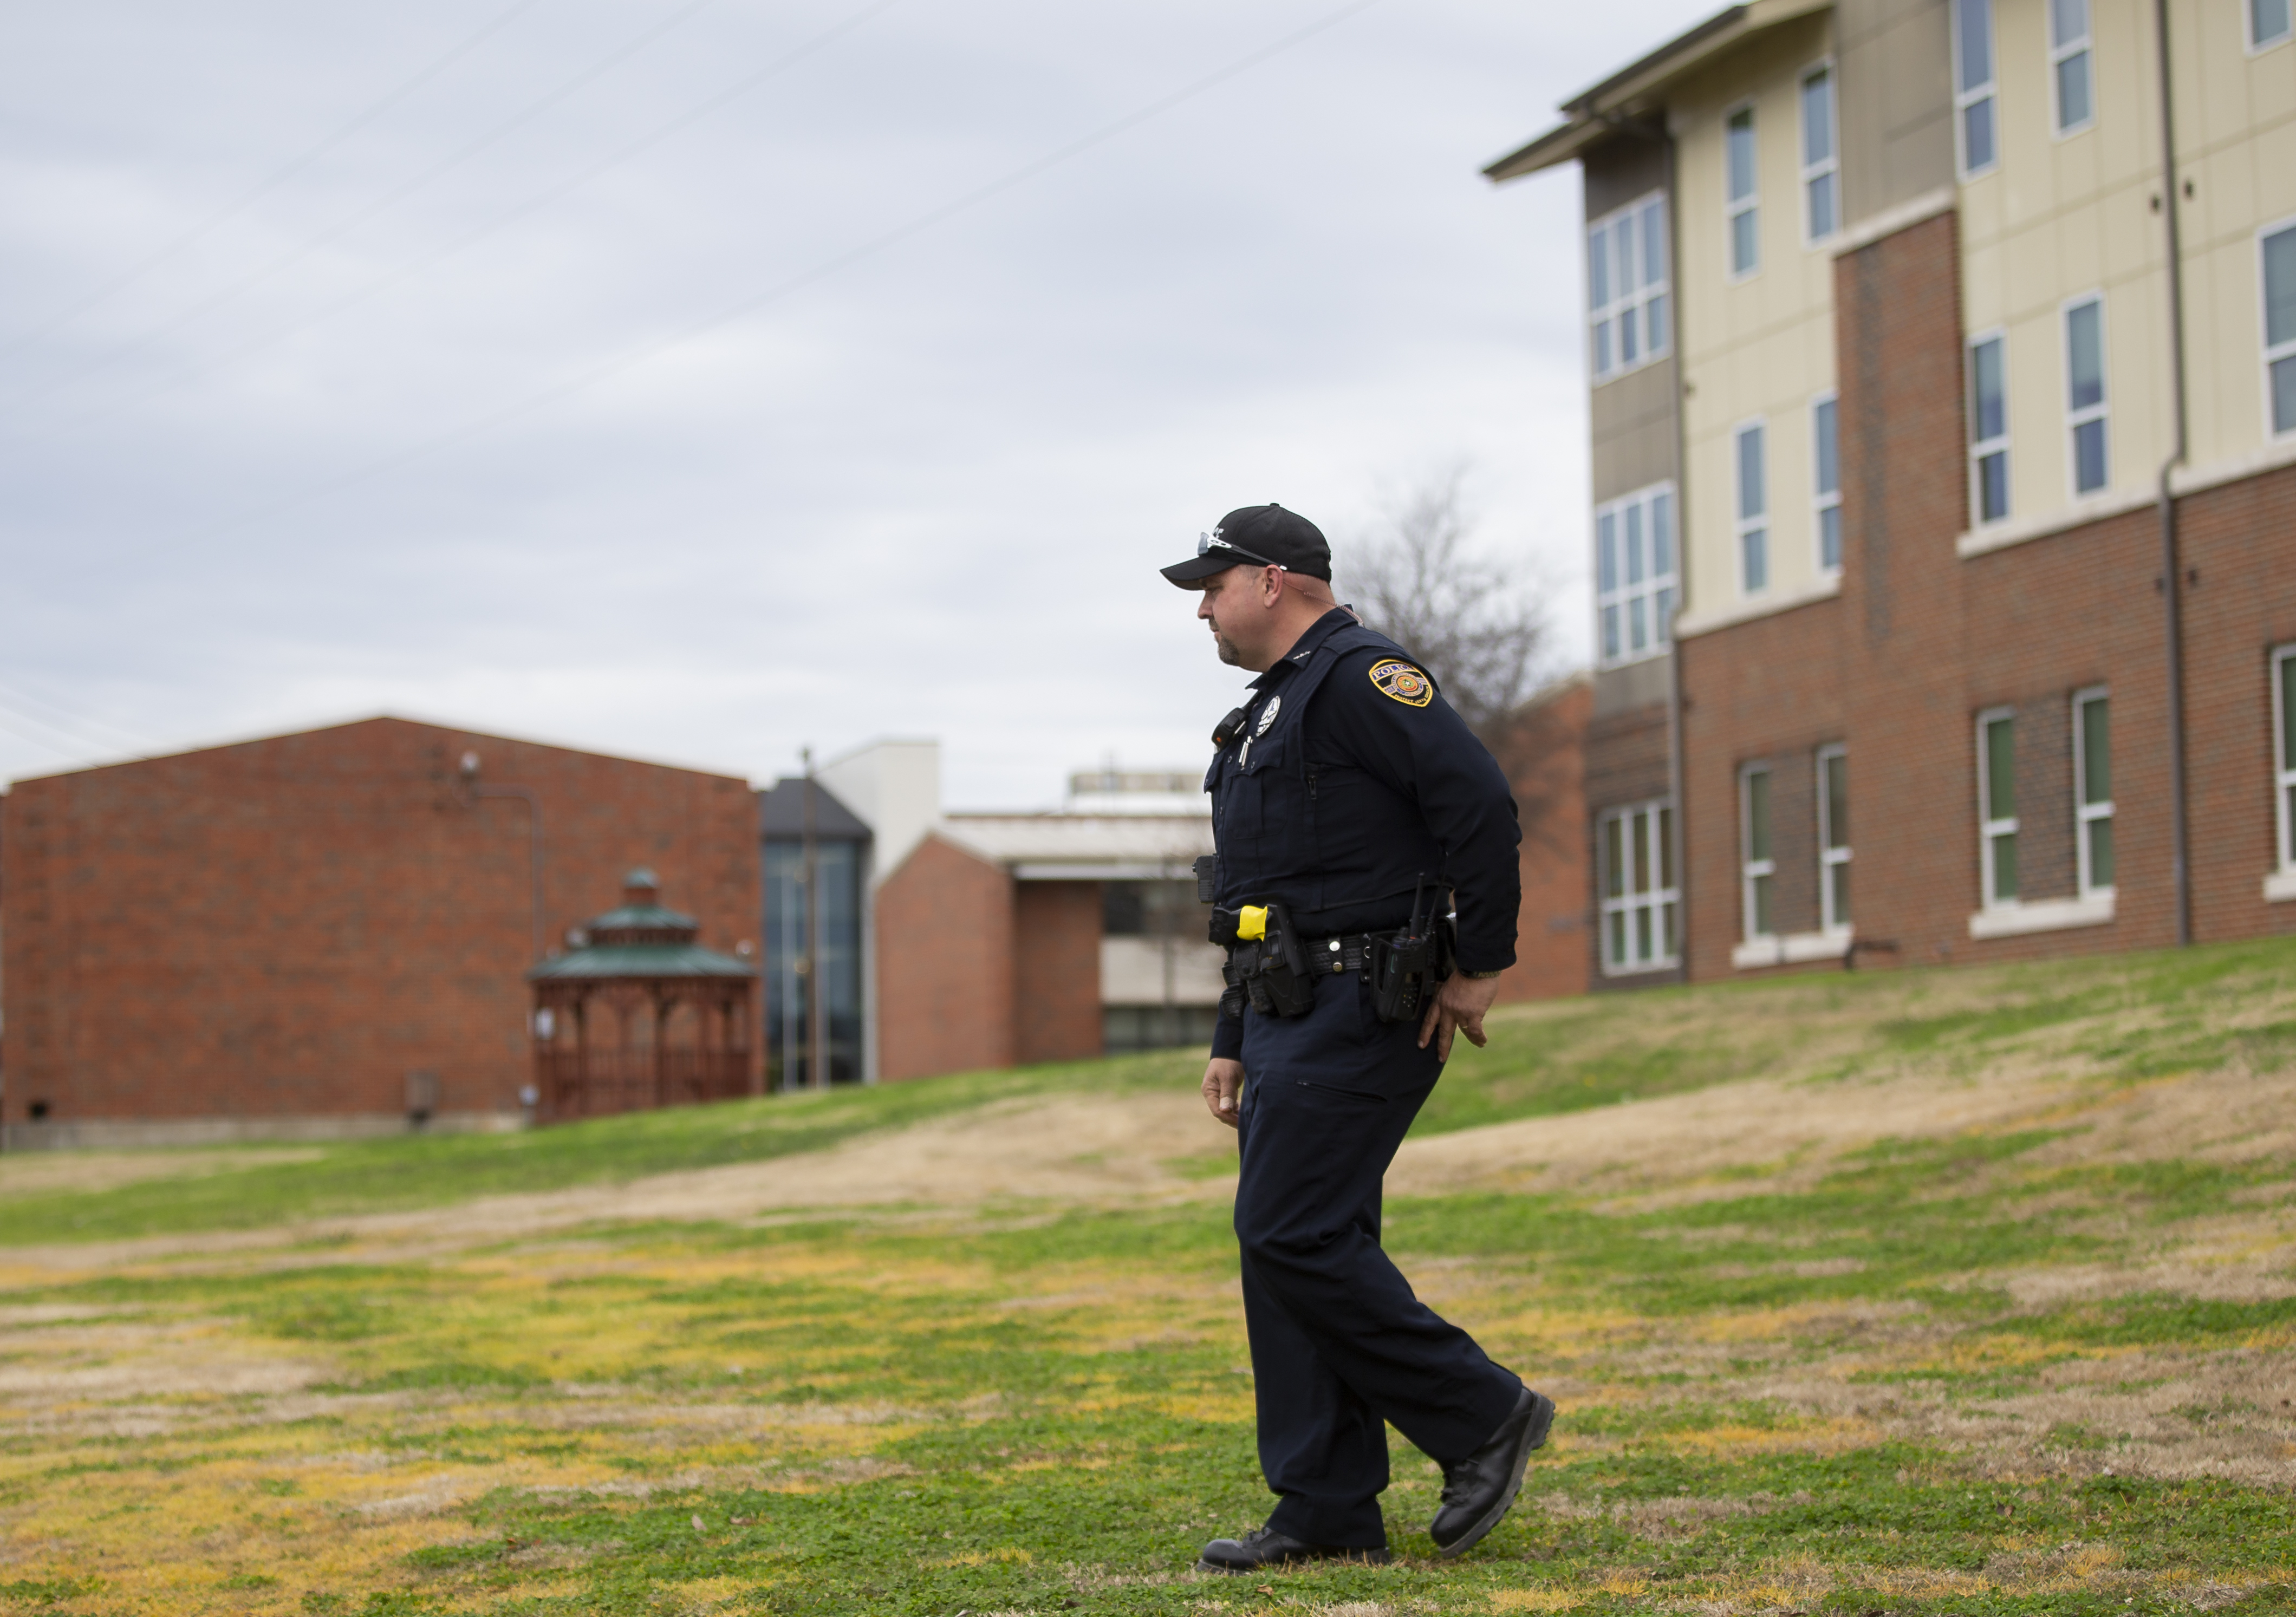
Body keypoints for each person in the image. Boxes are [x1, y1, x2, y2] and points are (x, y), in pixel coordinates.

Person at [1160, 503, 1556, 1574]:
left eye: (1213, 582)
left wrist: (1480, 961)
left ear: (1275, 578)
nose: (1200, 605)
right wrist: (1231, 1034)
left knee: (1290, 1230)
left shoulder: (1360, 680)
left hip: (1366, 1002)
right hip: (1289, 1007)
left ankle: (1482, 1414)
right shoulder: (1267, 713)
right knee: (1283, 1241)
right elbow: (1256, 900)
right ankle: (1325, 1501)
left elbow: (1478, 805)